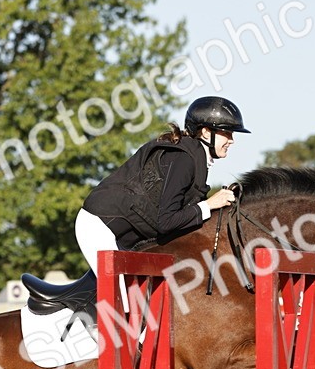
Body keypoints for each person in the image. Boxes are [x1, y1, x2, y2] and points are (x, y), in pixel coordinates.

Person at [75, 96, 250, 271]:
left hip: (121, 234)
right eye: (226, 132)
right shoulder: (184, 159)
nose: (231, 140)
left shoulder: (195, 158)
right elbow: (166, 222)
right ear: (205, 132)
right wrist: (209, 204)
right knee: (122, 297)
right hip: (99, 226)